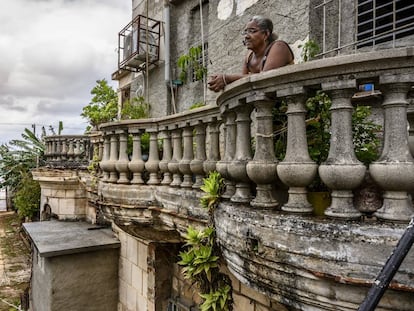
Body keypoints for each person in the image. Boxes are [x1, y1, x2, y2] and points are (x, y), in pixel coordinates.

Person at [208, 16, 294, 92]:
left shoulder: (279, 47)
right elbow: (242, 82)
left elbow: (264, 79)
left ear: (266, 34)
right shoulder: (249, 56)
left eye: (252, 31)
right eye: (245, 32)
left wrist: (227, 78)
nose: (246, 36)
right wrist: (220, 81)